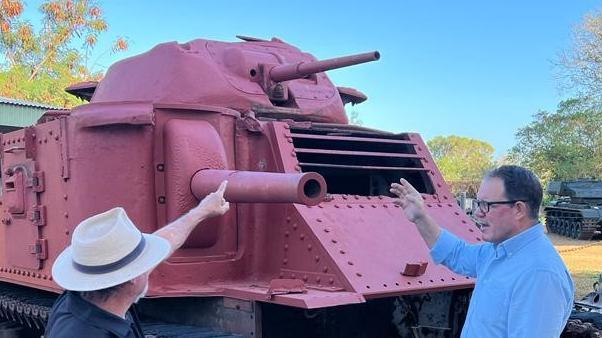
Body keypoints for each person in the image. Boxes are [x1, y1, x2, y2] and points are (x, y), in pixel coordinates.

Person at [390, 165, 574, 337]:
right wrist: (420, 216)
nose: (478, 213)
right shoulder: (498, 252)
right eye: (478, 204)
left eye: (487, 205)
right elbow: (457, 255)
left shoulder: (539, 274)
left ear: (518, 209)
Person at [44, 181, 230, 338]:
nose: (149, 265)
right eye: (144, 262)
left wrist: (200, 212)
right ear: (132, 277)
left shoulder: (78, 299)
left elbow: (166, 240)